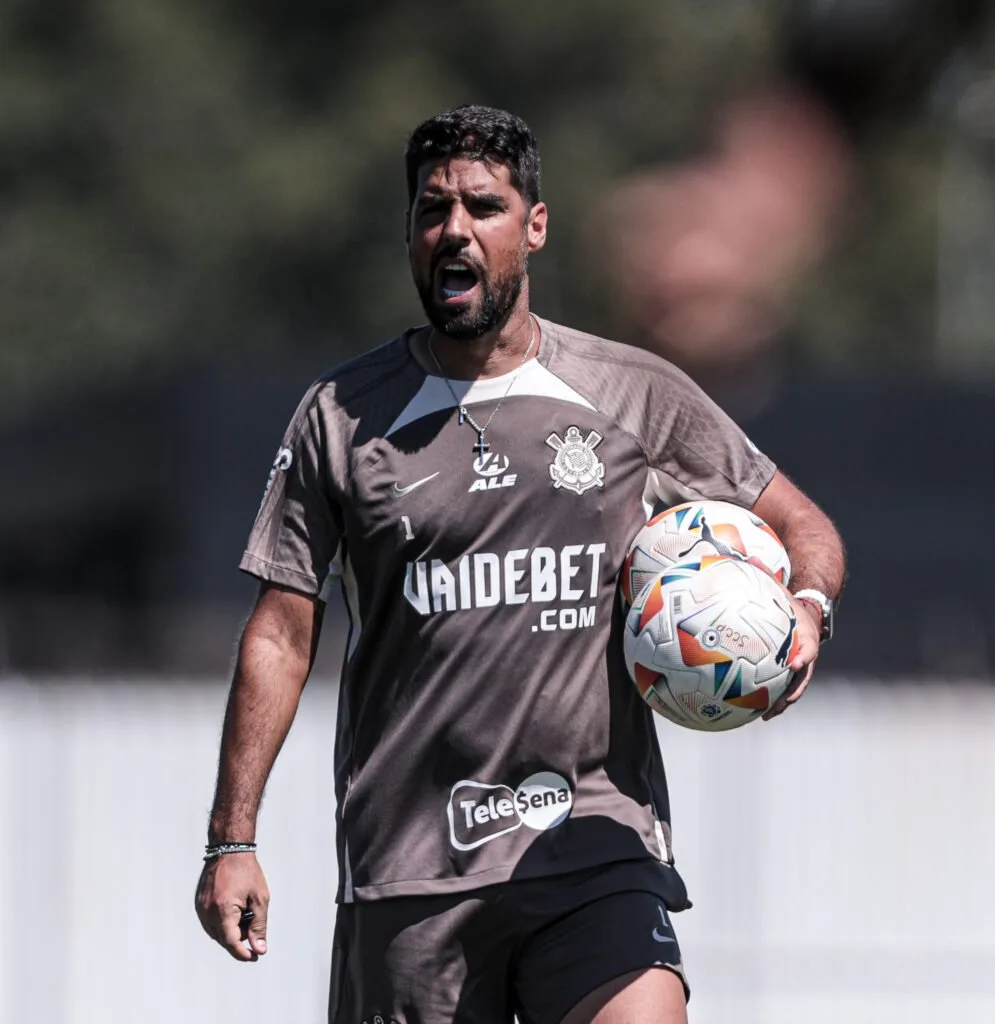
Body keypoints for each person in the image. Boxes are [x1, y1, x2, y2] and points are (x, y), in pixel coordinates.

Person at [194, 104, 846, 1024]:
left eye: (482, 206)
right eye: (431, 210)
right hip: (411, 868)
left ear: (533, 227)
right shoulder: (341, 414)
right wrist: (232, 841)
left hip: (591, 842)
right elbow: (280, 631)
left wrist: (805, 610)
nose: (453, 230)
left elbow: (800, 523)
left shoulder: (633, 392)